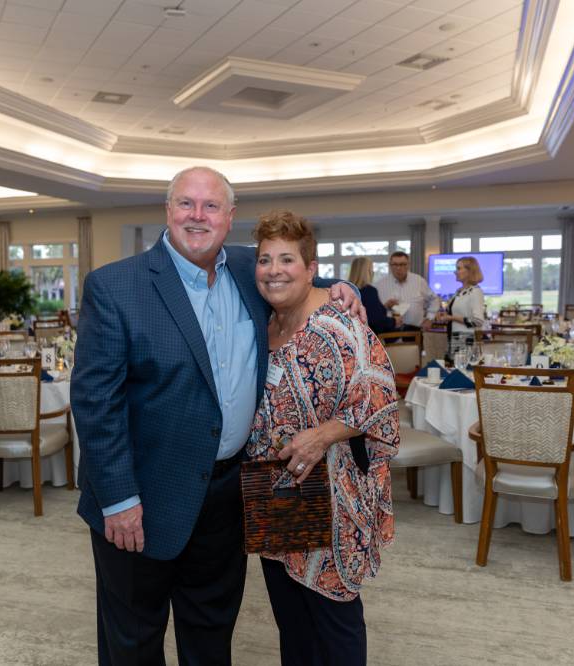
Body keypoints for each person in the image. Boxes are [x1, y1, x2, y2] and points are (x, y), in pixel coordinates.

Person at [71, 166, 364, 665]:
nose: (198, 216)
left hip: (227, 497)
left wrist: (343, 288)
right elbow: (96, 402)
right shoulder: (115, 286)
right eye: (186, 203)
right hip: (142, 497)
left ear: (230, 217)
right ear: (168, 211)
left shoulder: (251, 270)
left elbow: (297, 275)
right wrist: (117, 497)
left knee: (211, 637)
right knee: (132, 643)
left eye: (211, 206)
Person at [248, 210, 400, 666]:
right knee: (291, 620)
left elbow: (381, 398)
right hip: (272, 488)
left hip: (332, 491)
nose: (274, 270)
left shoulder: (339, 321)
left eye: (287, 259)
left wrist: (321, 436)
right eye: (264, 259)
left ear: (311, 268)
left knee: (333, 618)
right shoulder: (263, 323)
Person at [374, 250, 439, 331]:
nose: (398, 268)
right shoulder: (379, 285)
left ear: (408, 265)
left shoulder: (419, 281)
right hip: (388, 333)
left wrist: (429, 318)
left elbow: (434, 299)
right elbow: (374, 313)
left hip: (414, 332)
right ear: (390, 266)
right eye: (395, 264)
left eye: (402, 264)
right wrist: (385, 306)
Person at [435, 256, 485, 356]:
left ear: (469, 271)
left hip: (465, 341)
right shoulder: (459, 291)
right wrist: (444, 315)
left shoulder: (475, 291)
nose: (455, 272)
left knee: (461, 366)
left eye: (458, 268)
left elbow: (478, 321)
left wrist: (451, 317)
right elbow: (454, 313)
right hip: (452, 338)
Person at [348, 257, 398, 334]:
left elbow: (369, 311)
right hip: (368, 337)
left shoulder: (347, 290)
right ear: (367, 272)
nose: (373, 272)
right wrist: (394, 321)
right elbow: (376, 321)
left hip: (351, 335)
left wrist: (385, 306)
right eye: (371, 268)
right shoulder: (369, 291)